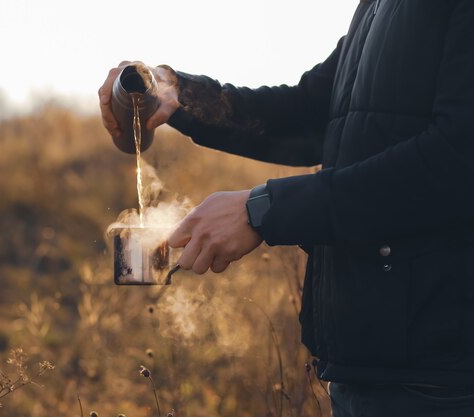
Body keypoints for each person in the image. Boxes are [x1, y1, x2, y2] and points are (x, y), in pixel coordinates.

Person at [99, 1, 474, 416]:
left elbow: (455, 161)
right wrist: (176, 92)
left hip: (443, 374)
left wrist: (262, 210)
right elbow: (312, 112)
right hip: (372, 364)